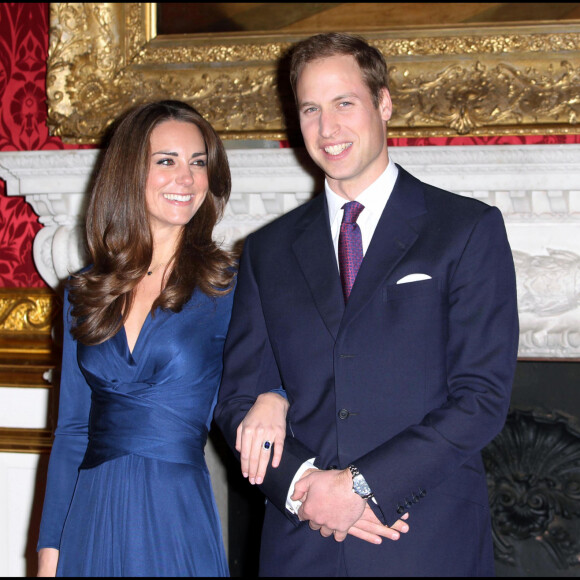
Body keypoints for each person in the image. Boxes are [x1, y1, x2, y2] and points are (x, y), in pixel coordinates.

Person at [215, 32, 519, 577]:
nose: (328, 129)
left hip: (423, 540)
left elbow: (482, 399)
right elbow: (236, 400)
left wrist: (361, 487)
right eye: (310, 109)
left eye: (344, 103)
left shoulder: (466, 229)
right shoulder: (266, 250)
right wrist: (305, 488)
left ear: (383, 104)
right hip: (300, 542)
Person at [37, 100, 239, 576]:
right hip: (88, 516)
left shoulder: (230, 286)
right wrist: (49, 558)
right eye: (166, 161)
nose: (185, 178)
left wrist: (274, 397)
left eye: (198, 163)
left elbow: (274, 378)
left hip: (175, 516)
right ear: (131, 171)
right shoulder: (84, 291)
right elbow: (70, 432)